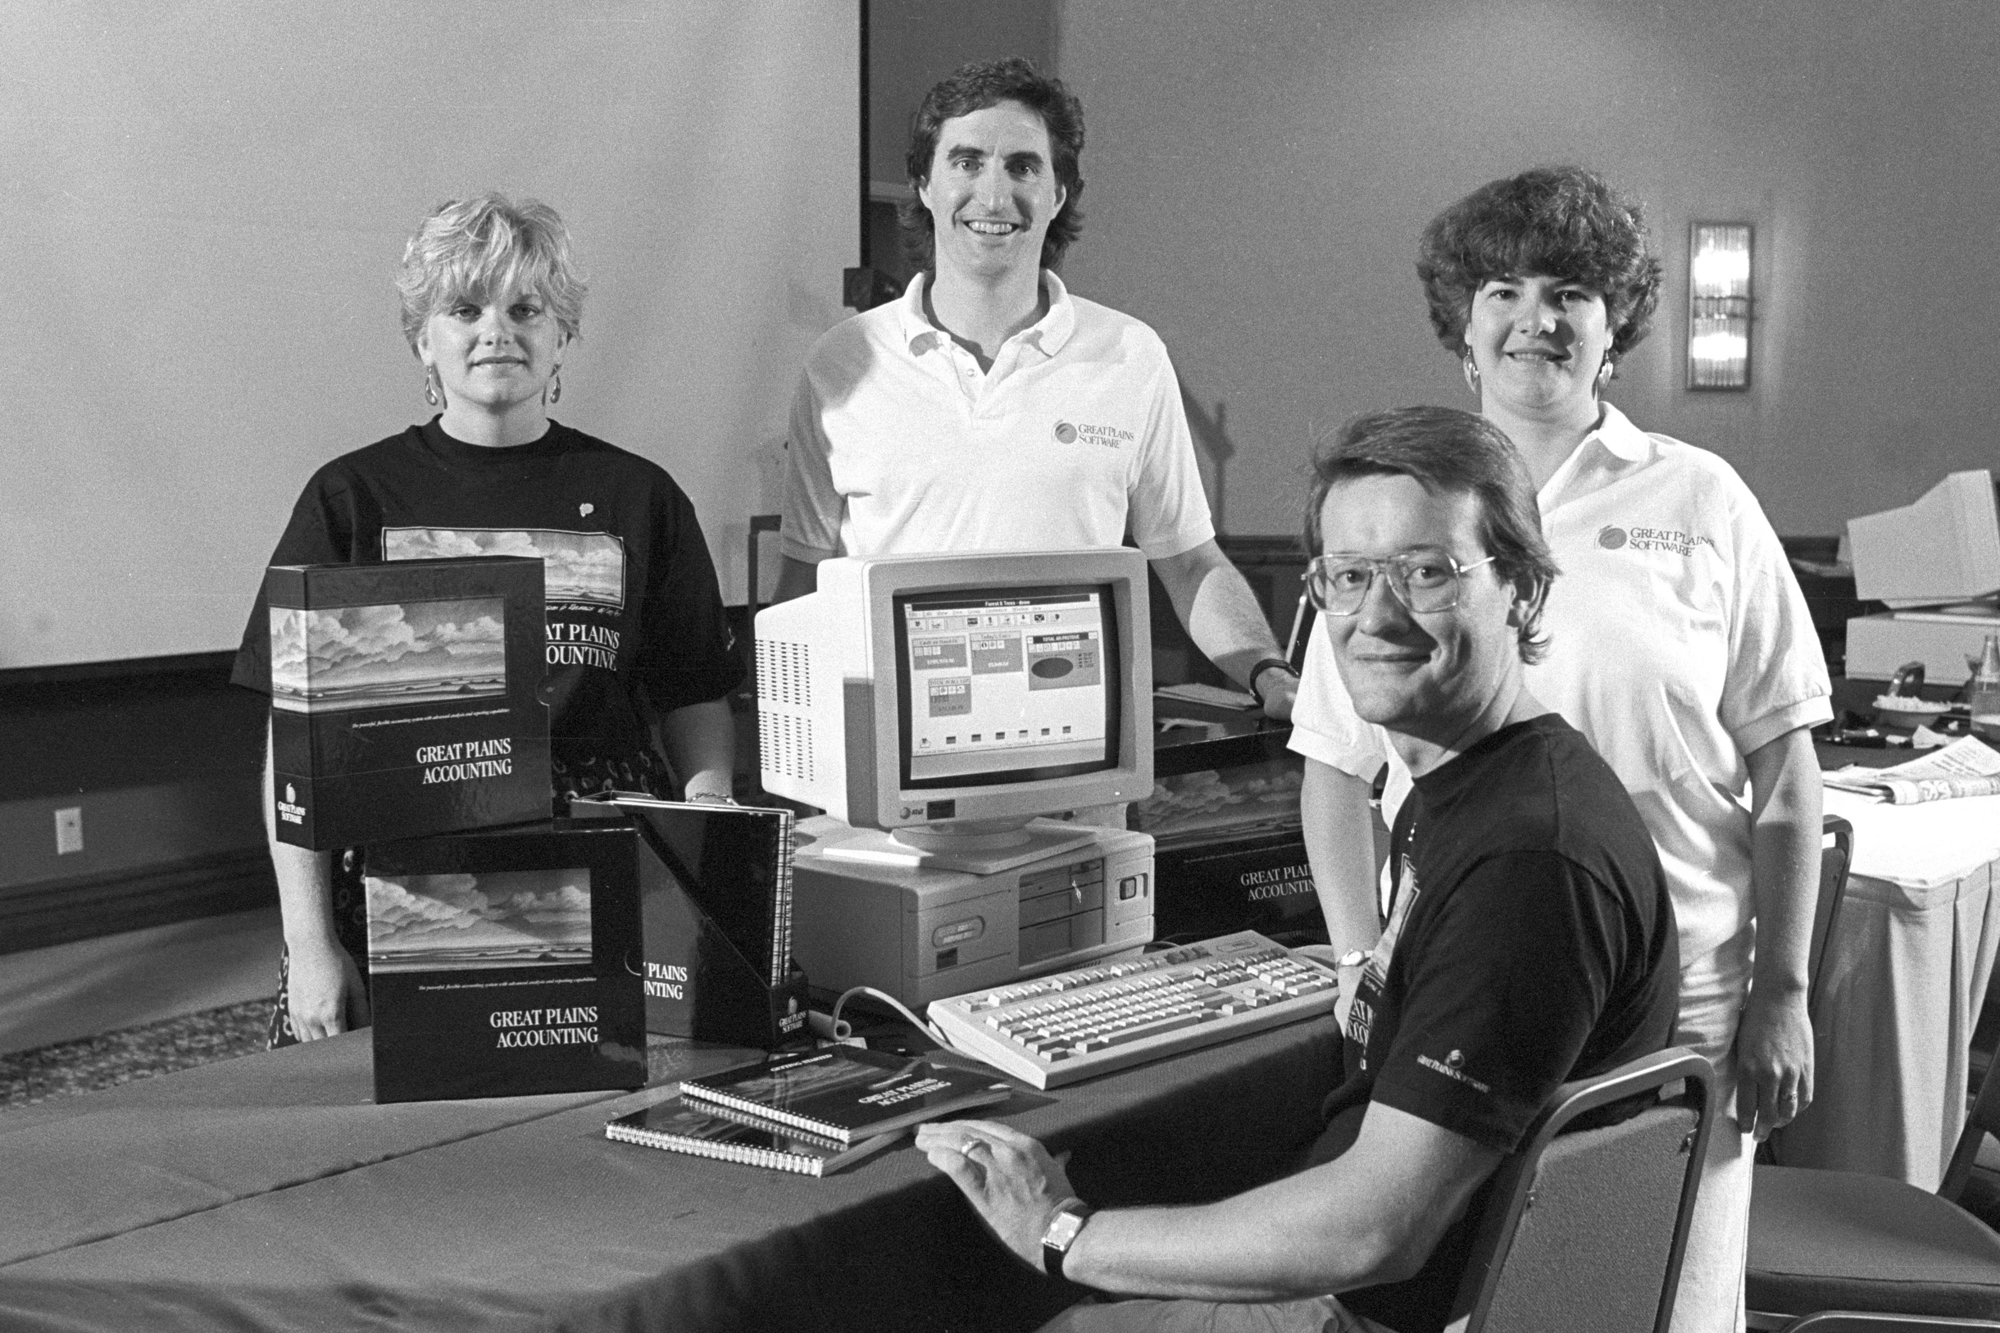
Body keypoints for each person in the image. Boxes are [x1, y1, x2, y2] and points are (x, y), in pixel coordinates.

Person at [919, 406, 1679, 1333]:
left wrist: (1064, 1230)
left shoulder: (1528, 861)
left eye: (1425, 572)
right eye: (1350, 577)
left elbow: (1376, 1232)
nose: (1376, 616)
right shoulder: (1479, 787)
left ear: (1520, 590)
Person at [1290, 167, 1831, 1333]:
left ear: (1612, 323)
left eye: (1569, 291)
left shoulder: (1701, 499)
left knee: (1657, 1312)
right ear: (1461, 325)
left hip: (1676, 1013)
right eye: (1503, 288)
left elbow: (1786, 776)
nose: (1536, 317)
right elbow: (1333, 768)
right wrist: (1352, 963)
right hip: (1471, 996)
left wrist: (1779, 995)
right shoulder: (1399, 515)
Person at [230, 193, 742, 1047]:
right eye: (464, 308)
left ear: (561, 334)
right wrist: (309, 942)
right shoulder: (349, 499)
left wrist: (705, 863)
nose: (495, 330)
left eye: (525, 308)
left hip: (601, 874)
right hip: (400, 882)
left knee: (589, 1123)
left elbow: (695, 698)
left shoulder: (639, 496)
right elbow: (296, 747)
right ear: (421, 338)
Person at [777, 56, 1300, 719]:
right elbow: (804, 582)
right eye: (966, 162)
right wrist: (798, 740)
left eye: (1022, 167)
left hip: (1081, 764)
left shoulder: (1129, 355)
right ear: (926, 186)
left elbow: (1191, 562)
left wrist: (1269, 673)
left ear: (1057, 197)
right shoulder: (841, 362)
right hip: (890, 780)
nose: (993, 197)